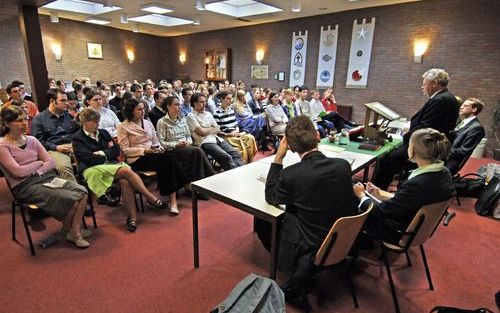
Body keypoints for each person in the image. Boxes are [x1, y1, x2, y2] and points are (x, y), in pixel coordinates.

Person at [256, 115, 358, 309]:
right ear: (317, 136)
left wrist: (278, 158)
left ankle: (294, 274)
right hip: (342, 239)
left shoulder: (291, 175)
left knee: (263, 218)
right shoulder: (343, 166)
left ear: (291, 148)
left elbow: (271, 197)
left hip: (313, 245)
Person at [0, 106, 90, 248]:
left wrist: (38, 170)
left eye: (25, 119)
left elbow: (51, 162)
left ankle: (71, 230)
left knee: (82, 192)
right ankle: (74, 233)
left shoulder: (32, 140)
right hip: (24, 186)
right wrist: (38, 163)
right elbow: (18, 172)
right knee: (69, 198)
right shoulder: (2, 146)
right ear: (6, 123)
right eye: (19, 120)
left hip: (44, 178)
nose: (24, 123)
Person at [72, 108, 168, 233]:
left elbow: (116, 151)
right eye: (95, 122)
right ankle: (151, 198)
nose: (98, 124)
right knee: (126, 171)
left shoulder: (103, 133)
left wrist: (100, 153)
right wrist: (107, 153)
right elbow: (88, 159)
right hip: (91, 170)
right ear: (85, 122)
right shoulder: (78, 138)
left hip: (110, 165)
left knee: (125, 182)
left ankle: (132, 218)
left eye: (98, 121)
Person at [353, 128, 455, 244]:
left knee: (351, 201)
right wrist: (379, 194)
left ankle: (357, 245)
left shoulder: (417, 184)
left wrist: (362, 196)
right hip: (415, 226)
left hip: (396, 230)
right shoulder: (444, 172)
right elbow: (408, 200)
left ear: (414, 150)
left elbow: (383, 212)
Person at [372, 68, 459, 190]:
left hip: (425, 146)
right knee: (389, 156)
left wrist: (407, 136)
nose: (422, 87)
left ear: (434, 83)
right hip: (431, 143)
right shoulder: (448, 97)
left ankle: (375, 191)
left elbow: (426, 126)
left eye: (424, 84)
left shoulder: (439, 100)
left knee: (386, 159)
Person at [117, 98, 186, 215]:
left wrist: (158, 147)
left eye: (143, 109)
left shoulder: (148, 123)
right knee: (169, 159)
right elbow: (125, 150)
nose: (143, 111)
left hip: (152, 154)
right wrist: (145, 150)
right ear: (131, 111)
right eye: (139, 109)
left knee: (169, 158)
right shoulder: (123, 127)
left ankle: (173, 200)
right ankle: (183, 185)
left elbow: (155, 141)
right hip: (136, 158)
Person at [156, 96, 215, 186]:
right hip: (173, 149)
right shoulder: (162, 122)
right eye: (176, 104)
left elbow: (188, 135)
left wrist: (188, 142)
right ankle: (209, 178)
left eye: (179, 105)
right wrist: (176, 144)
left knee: (196, 152)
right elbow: (162, 142)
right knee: (197, 151)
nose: (179, 107)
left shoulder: (183, 119)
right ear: (168, 106)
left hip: (186, 146)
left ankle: (200, 183)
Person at [31, 88, 79, 182]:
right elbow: (38, 143)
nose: (67, 103)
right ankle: (77, 194)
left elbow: (78, 134)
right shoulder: (39, 119)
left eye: (67, 100)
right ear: (52, 101)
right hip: (54, 149)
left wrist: (76, 144)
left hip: (73, 146)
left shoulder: (70, 117)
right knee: (64, 167)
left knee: (93, 158)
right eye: (63, 100)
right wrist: (56, 147)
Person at [187, 93, 244, 171]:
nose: (204, 104)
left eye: (205, 101)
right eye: (201, 102)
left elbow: (218, 128)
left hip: (216, 138)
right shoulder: (190, 116)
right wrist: (212, 128)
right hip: (204, 142)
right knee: (226, 157)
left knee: (236, 154)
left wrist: (208, 129)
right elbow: (201, 132)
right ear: (194, 103)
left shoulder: (208, 114)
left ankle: (239, 172)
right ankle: (236, 174)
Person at [213, 91, 257, 163]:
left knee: (250, 138)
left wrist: (237, 131)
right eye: (228, 99)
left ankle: (250, 162)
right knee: (242, 146)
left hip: (235, 133)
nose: (230, 101)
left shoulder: (231, 110)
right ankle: (243, 164)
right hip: (226, 136)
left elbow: (236, 124)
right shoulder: (216, 113)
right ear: (221, 99)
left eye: (231, 99)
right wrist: (230, 134)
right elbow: (218, 131)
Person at [446, 98, 485, 175]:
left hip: (451, 163)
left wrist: (444, 151)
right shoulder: (463, 122)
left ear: (474, 109)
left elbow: (463, 151)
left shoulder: (477, 128)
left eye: (465, 106)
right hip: (446, 158)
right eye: (462, 105)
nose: (461, 107)